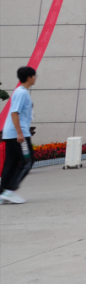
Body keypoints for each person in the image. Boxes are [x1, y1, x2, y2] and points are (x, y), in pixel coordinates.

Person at [1, 66, 37, 205]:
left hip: (11, 133)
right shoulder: (22, 92)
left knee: (11, 162)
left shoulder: (20, 91)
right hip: (18, 134)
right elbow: (14, 113)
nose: (35, 78)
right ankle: (10, 191)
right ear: (29, 77)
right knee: (27, 161)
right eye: (34, 76)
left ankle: (3, 192)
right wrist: (20, 133)